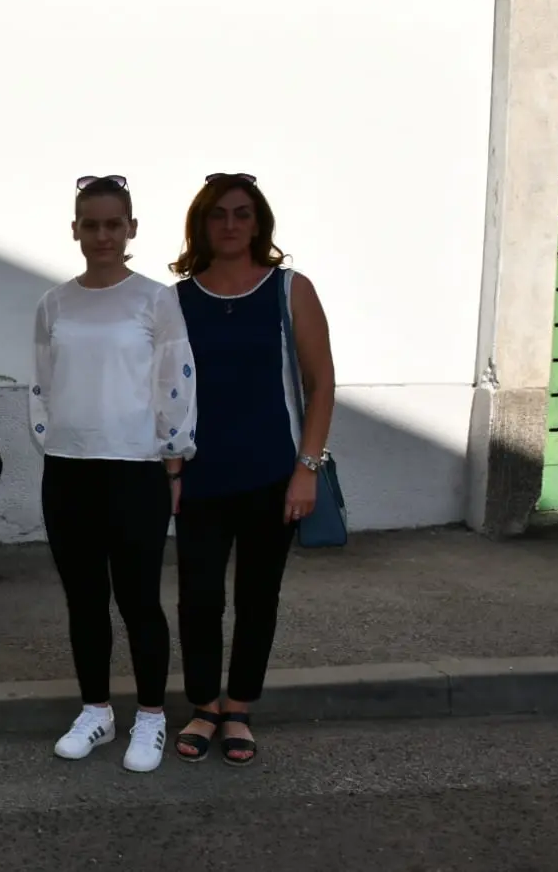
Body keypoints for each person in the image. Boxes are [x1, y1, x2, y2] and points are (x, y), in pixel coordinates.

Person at [29, 175, 198, 773]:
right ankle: (96, 711)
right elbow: (43, 383)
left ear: (131, 229)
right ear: (75, 230)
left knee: (139, 599)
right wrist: (56, 442)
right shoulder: (54, 303)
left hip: (135, 470)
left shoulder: (156, 299)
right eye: (91, 225)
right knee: (84, 599)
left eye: (113, 224)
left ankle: (150, 716)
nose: (102, 235)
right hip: (69, 470)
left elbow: (176, 381)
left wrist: (173, 458)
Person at [168, 173, 335, 766]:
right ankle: (204, 706)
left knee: (258, 597)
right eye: (218, 214)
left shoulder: (290, 289)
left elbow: (320, 384)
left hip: (273, 476)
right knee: (198, 599)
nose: (231, 224)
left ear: (259, 221)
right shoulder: (177, 300)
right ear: (201, 224)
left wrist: (306, 469)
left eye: (242, 213)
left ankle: (238, 708)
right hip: (200, 477)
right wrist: (172, 472)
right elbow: (165, 392)